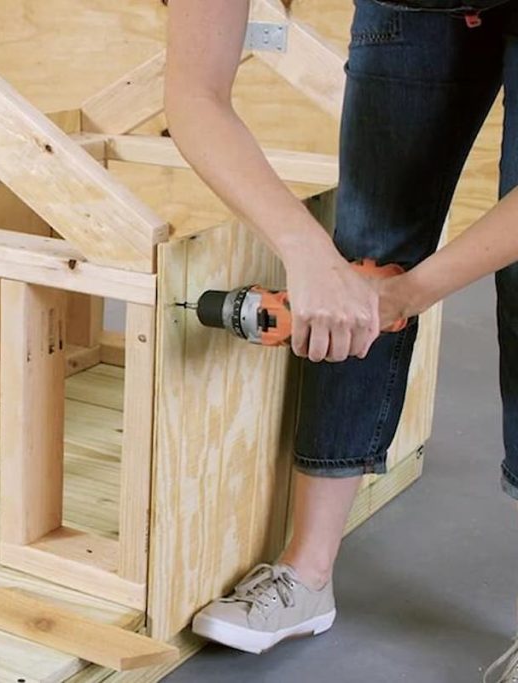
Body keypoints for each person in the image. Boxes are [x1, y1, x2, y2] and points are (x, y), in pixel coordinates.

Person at [165, 0, 518, 679]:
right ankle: (306, 575)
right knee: (367, 239)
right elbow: (193, 94)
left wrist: (409, 290)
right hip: (410, 13)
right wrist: (313, 256)